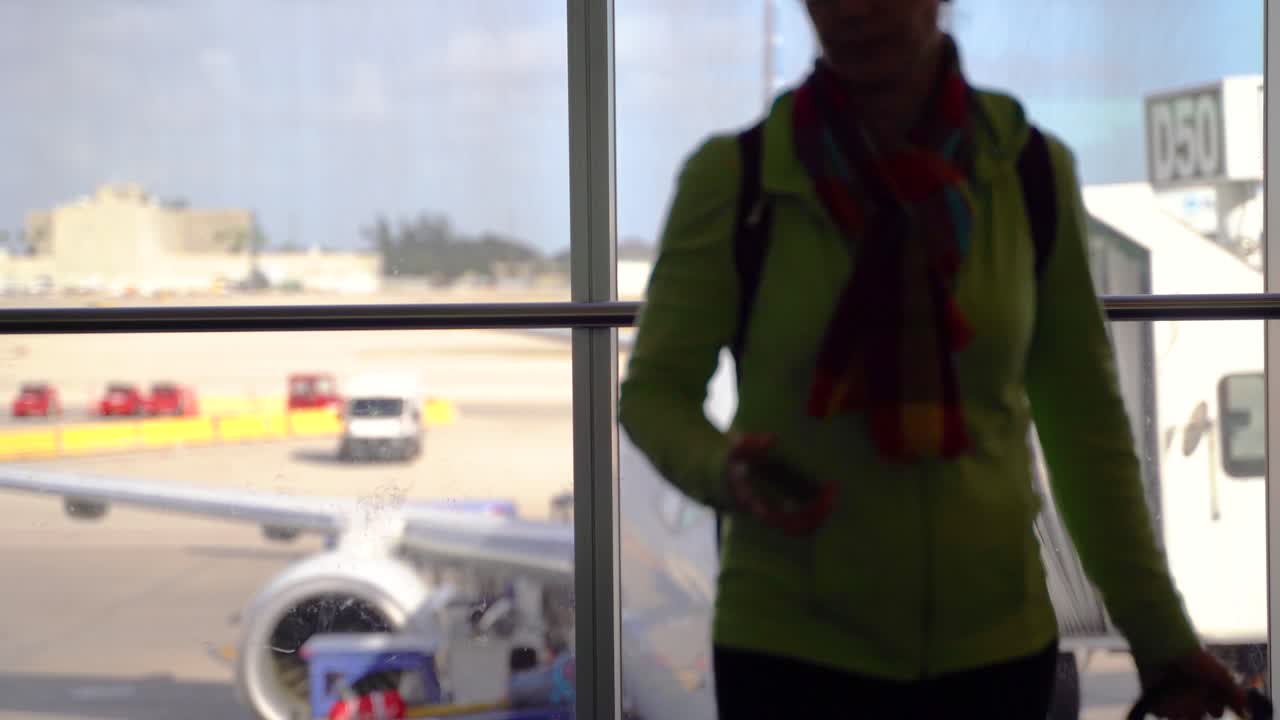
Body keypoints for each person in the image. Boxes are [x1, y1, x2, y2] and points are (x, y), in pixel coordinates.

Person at [617, 1, 1251, 718]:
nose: (852, 9)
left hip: (994, 657)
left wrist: (1162, 643)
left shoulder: (1029, 176)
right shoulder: (739, 181)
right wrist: (721, 468)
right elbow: (653, 393)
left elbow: (1087, 433)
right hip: (791, 654)